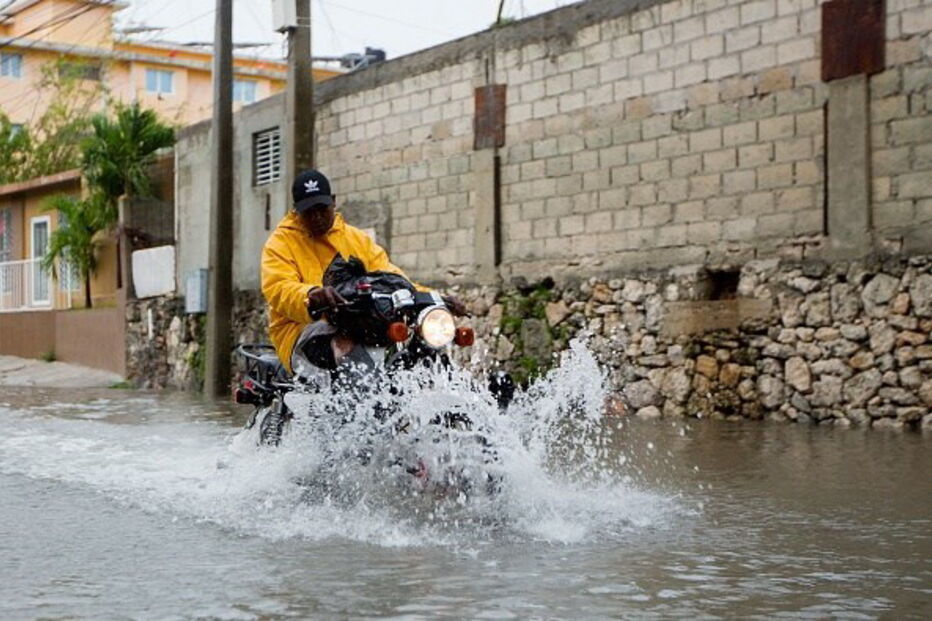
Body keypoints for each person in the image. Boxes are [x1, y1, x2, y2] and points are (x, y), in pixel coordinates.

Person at [261, 168, 466, 377]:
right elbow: (278, 288)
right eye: (309, 212)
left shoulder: (356, 239)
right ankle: (363, 407)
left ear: (333, 202)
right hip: (302, 329)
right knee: (345, 346)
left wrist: (434, 297)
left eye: (322, 209)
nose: (317, 217)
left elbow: (392, 278)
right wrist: (310, 296)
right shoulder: (280, 244)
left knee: (417, 346)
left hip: (360, 323)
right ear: (296, 211)